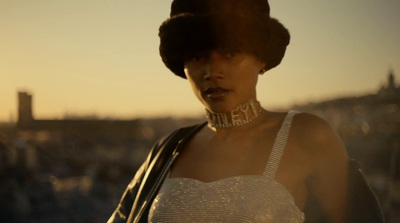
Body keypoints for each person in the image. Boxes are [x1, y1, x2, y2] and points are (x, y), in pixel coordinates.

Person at [108, 0, 383, 222]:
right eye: (196, 57)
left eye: (230, 54)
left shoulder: (308, 135)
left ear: (260, 57)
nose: (212, 71)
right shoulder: (167, 151)